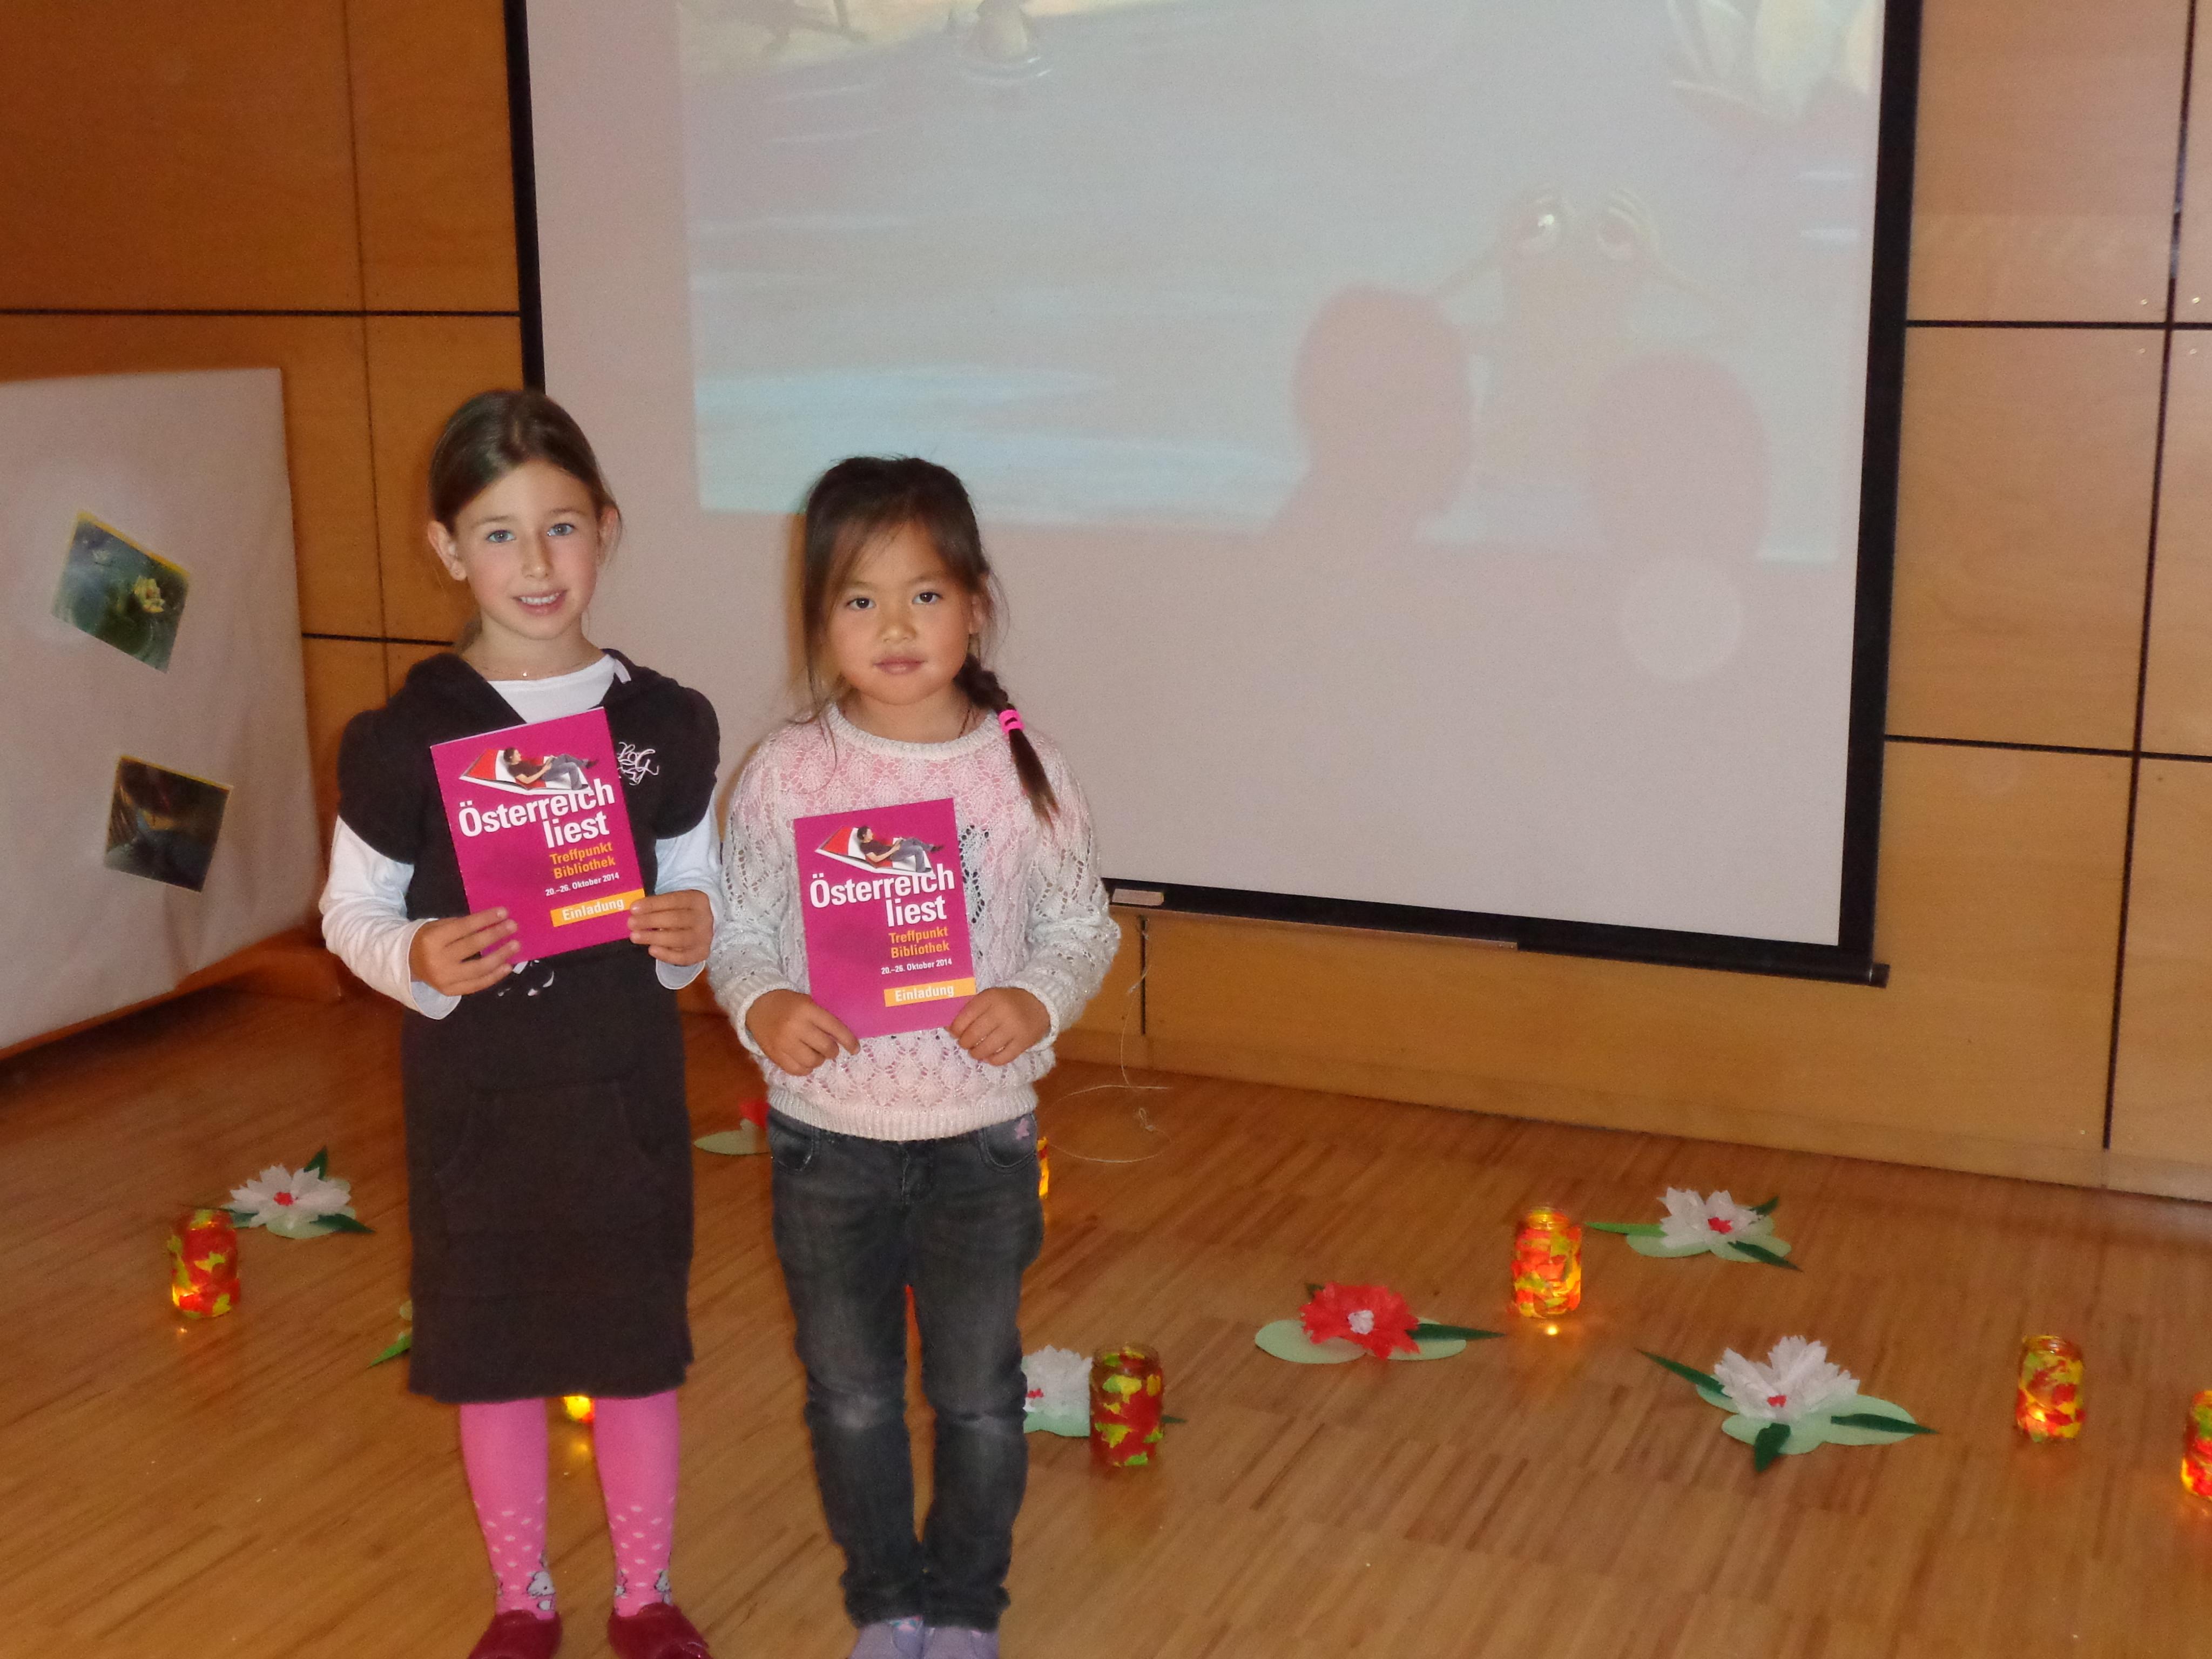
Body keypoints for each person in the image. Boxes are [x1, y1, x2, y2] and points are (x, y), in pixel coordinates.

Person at [320, 390, 724, 1659]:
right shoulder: (405, 736)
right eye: (498, 534)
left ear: (606, 528)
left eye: (561, 527)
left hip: (620, 1097)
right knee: (489, 1352)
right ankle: (520, 1599)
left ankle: (644, 1595)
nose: (536, 563)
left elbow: (700, 883)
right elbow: (349, 912)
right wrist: (416, 955)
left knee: (632, 1349)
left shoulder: (663, 723)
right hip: (477, 1109)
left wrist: (693, 930)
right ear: (447, 549)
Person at [709, 457, 1118, 1659]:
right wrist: (764, 1002)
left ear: (975, 606)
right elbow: (738, 926)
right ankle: (886, 1601)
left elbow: (1080, 926)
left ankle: (965, 1605)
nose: (894, 628)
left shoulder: (1022, 768)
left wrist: (1035, 1000)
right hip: (825, 1140)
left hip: (979, 1141)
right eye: (859, 599)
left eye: (924, 596)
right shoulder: (789, 769)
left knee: (979, 1394)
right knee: (850, 1395)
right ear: (818, 619)